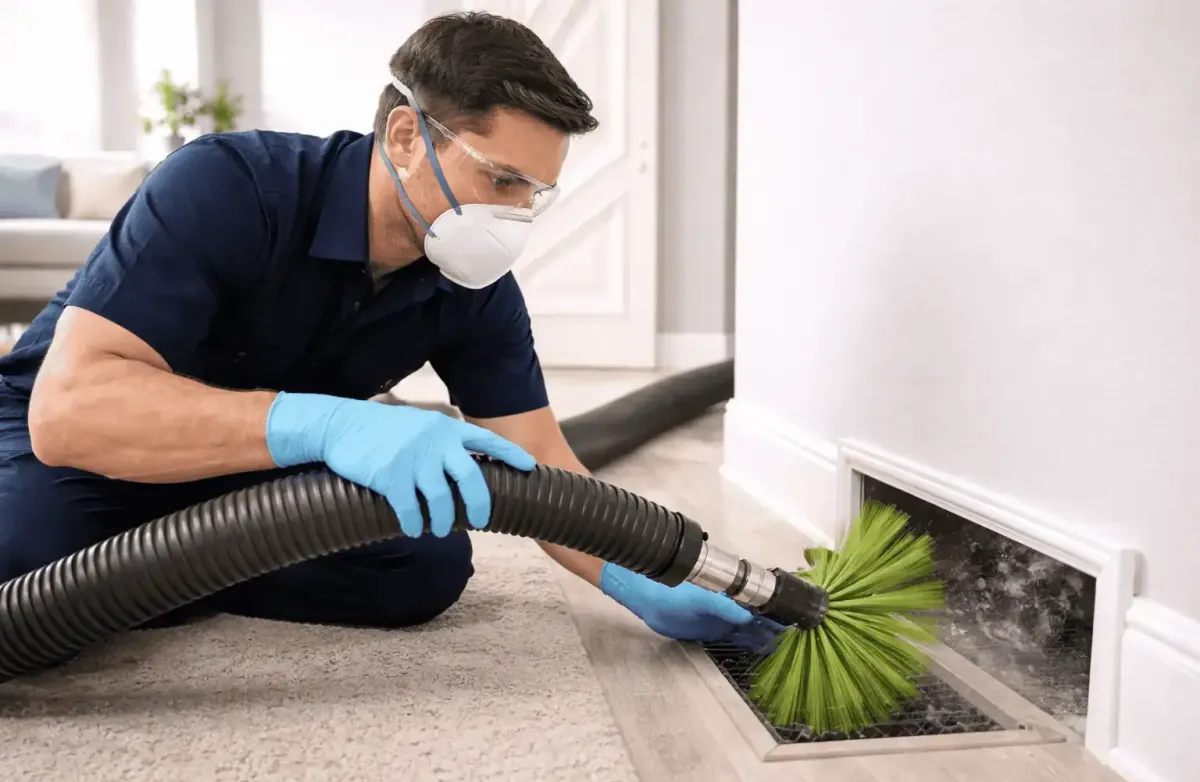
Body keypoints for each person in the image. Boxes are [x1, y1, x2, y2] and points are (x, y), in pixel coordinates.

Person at [0, 12, 779, 650]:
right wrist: (329, 421)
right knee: (28, 563)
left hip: (246, 477)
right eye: (500, 179)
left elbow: (542, 460)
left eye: (535, 194)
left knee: (422, 562)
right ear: (406, 136)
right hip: (75, 450)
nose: (514, 215)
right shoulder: (229, 186)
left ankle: (165, 567)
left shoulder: (472, 285)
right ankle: (146, 571)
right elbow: (69, 413)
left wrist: (645, 576)